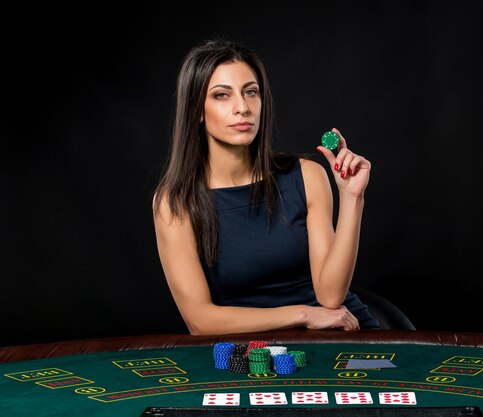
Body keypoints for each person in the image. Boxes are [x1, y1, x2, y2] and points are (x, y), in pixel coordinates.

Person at [152, 39, 380, 335]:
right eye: (222, 95)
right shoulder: (175, 202)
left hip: (336, 330)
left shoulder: (307, 176)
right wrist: (304, 315)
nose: (242, 108)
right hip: (256, 348)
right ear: (197, 109)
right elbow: (200, 321)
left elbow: (330, 297)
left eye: (251, 92)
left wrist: (352, 198)